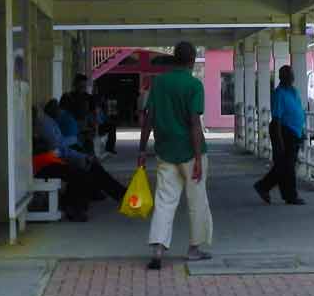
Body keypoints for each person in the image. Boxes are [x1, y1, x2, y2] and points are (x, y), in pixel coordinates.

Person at [138, 41, 213, 270]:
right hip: (190, 153)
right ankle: (194, 249)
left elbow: (148, 118)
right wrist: (199, 158)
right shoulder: (193, 85)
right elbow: (194, 123)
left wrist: (142, 149)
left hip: (165, 150)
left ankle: (158, 249)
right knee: (196, 200)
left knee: (164, 200)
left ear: (174, 59)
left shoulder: (159, 83)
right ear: (192, 61)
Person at [39, 99, 126, 211]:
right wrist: (80, 153)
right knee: (88, 168)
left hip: (63, 154)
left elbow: (62, 146)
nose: (60, 111)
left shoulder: (52, 121)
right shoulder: (47, 124)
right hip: (58, 157)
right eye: (57, 108)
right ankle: (114, 193)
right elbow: (59, 147)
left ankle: (116, 193)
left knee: (93, 166)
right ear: (50, 109)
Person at [254, 65, 306, 205]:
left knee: (285, 166)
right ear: (282, 77)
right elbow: (276, 119)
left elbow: (299, 111)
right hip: (283, 131)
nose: (292, 77)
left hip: (295, 131)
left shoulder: (293, 92)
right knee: (286, 166)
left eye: (292, 74)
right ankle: (289, 195)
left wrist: (303, 131)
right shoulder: (278, 94)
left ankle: (268, 188)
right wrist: (279, 141)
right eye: (289, 75)